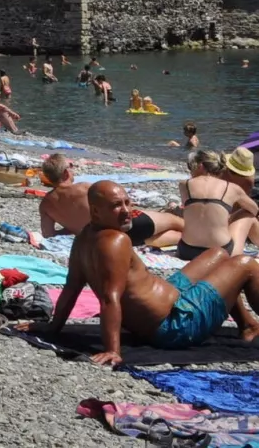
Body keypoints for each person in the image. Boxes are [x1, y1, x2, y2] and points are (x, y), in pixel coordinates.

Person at [45, 181, 259, 363]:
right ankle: (249, 324)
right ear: (95, 211)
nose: (127, 211)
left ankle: (247, 324)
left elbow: (72, 287)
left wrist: (53, 328)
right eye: (116, 206)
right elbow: (111, 297)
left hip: (172, 300)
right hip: (175, 326)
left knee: (218, 255)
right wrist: (113, 350)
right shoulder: (116, 241)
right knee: (246, 264)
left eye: (127, 202)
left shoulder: (83, 237)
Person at [39, 154, 182, 244]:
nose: (73, 168)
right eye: (71, 166)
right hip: (127, 227)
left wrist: (72, 228)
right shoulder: (85, 188)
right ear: (65, 172)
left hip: (106, 239)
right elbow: (117, 206)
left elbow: (48, 234)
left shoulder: (46, 204)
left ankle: (195, 242)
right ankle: (199, 234)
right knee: (173, 220)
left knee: (176, 238)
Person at [177, 149, 259, 261]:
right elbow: (254, 210)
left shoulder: (184, 185)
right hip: (221, 253)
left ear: (201, 166)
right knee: (248, 215)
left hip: (186, 251)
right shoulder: (235, 188)